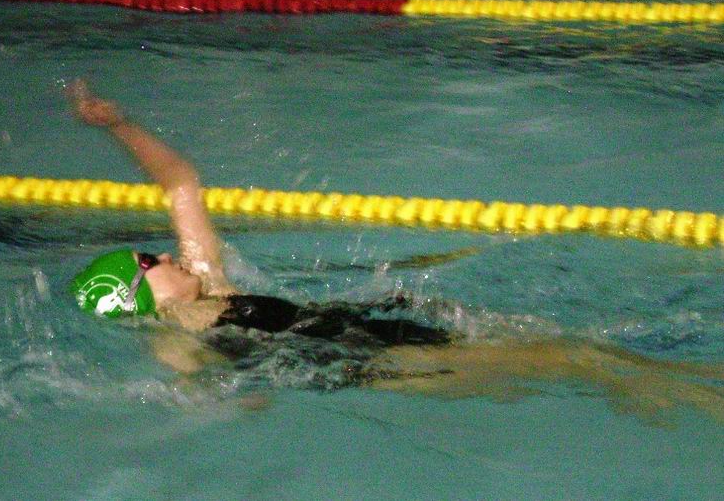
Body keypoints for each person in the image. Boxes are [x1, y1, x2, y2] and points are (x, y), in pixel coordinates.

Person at [66, 80, 724, 422]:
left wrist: (117, 124)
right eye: (149, 263)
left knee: (573, 349)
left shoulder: (212, 285)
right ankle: (696, 399)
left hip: (377, 331)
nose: (164, 257)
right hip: (383, 367)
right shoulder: (177, 338)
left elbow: (181, 185)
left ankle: (684, 386)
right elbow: (217, 400)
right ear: (135, 296)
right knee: (574, 359)